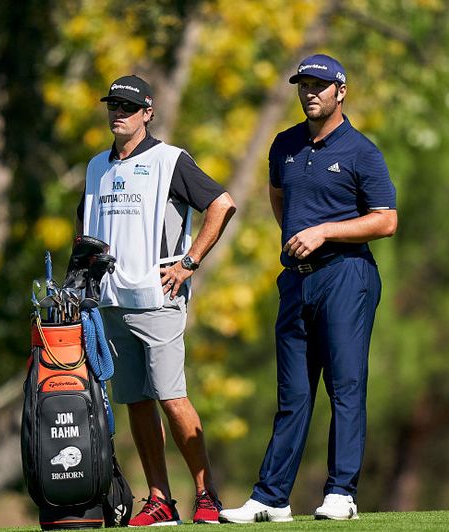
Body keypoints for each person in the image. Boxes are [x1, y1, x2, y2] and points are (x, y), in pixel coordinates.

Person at [220, 54, 398, 523]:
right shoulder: (284, 145)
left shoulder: (362, 151)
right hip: (297, 282)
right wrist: (300, 240)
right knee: (293, 394)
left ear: (341, 91)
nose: (310, 92)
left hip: (347, 276)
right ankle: (272, 498)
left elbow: (386, 220)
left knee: (345, 386)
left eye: (320, 85)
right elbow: (279, 197)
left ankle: (342, 492)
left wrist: (323, 232)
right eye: (304, 85)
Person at [76, 75, 237, 526]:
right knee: (136, 400)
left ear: (148, 113)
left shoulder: (170, 161)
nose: (119, 114)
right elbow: (85, 231)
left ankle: (207, 495)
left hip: (158, 297)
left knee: (171, 396)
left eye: (129, 107)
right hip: (109, 302)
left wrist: (189, 262)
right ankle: (160, 499)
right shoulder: (95, 167)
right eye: (113, 106)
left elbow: (222, 204)